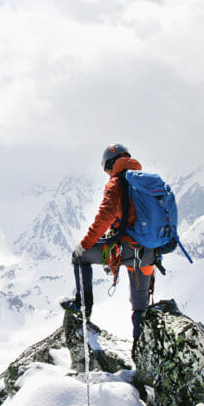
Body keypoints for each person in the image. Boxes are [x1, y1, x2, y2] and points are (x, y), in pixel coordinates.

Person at [61, 143, 156, 341]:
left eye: (106, 169)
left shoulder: (117, 183)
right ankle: (141, 354)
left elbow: (105, 217)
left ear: (110, 165)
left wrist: (85, 243)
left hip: (125, 250)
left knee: (79, 257)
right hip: (148, 254)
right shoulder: (147, 183)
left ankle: (82, 306)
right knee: (140, 309)